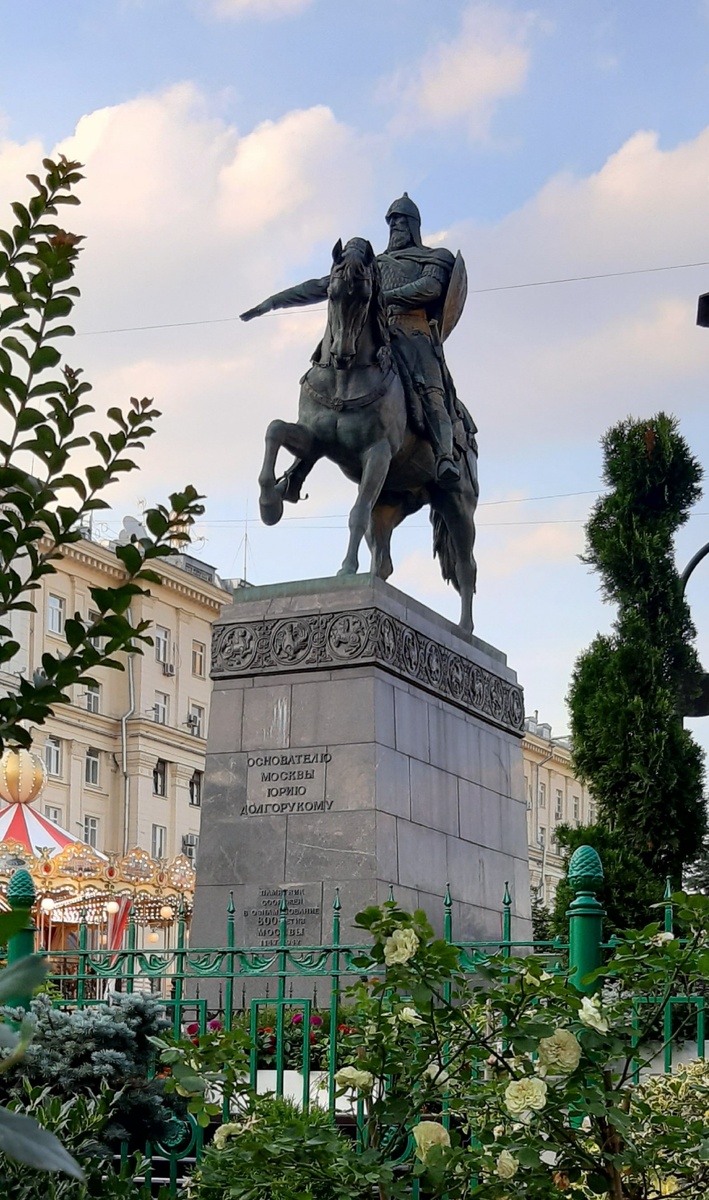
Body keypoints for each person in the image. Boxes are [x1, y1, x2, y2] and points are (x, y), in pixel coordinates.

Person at [240, 193, 469, 487]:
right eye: (391, 221)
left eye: (401, 221)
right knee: (332, 377)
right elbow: (320, 286)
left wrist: (380, 297)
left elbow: (429, 288)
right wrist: (271, 303)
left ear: (414, 225)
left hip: (415, 333)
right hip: (376, 331)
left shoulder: (435, 257)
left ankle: (444, 456)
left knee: (431, 391)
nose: (395, 226)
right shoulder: (371, 266)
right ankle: (298, 468)